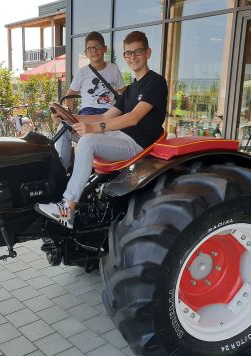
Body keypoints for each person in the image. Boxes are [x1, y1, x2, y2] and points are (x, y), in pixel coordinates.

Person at [36, 31, 168, 229]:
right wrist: (69, 117)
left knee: (88, 140)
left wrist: (94, 129)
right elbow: (105, 116)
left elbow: (133, 118)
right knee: (66, 128)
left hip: (137, 144)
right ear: (124, 56)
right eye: (128, 53)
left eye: (138, 52)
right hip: (119, 136)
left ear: (148, 53)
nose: (132, 57)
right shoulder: (131, 89)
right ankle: (56, 186)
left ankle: (68, 207)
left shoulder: (156, 82)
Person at [56, 31, 125, 170]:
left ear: (104, 49)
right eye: (90, 49)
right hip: (88, 113)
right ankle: (61, 171)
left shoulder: (113, 69)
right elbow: (70, 95)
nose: (94, 51)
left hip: (109, 113)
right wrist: (68, 112)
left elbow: (122, 91)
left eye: (97, 47)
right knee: (63, 127)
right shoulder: (82, 72)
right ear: (86, 52)